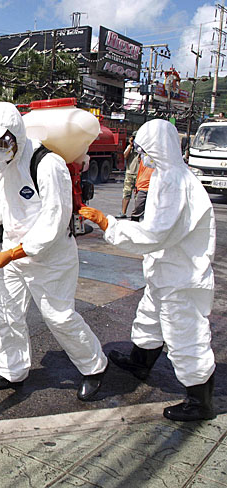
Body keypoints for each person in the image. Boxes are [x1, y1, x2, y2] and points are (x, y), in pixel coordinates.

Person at [0, 102, 107, 401]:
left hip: (51, 257)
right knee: (6, 314)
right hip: (13, 253)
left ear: (16, 132)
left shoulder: (47, 163)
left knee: (59, 317)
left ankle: (94, 367)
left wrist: (15, 253)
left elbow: (54, 220)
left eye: (2, 141)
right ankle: (12, 371)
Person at [80, 119, 216, 421]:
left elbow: (155, 233)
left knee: (185, 334)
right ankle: (140, 363)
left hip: (181, 276)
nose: (141, 157)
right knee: (149, 320)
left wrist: (109, 225)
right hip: (166, 270)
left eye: (144, 151)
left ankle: (200, 400)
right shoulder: (167, 176)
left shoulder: (173, 181)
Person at [116, 131, 139, 219]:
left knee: (138, 196)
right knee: (126, 193)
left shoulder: (143, 150)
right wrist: (130, 145)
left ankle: (137, 213)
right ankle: (123, 212)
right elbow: (125, 156)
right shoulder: (130, 147)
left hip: (139, 174)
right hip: (130, 173)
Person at [129, 156, 154, 222]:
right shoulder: (145, 158)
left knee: (152, 209)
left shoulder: (159, 158)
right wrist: (136, 185)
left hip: (154, 187)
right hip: (143, 186)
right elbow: (140, 171)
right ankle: (134, 224)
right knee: (138, 207)